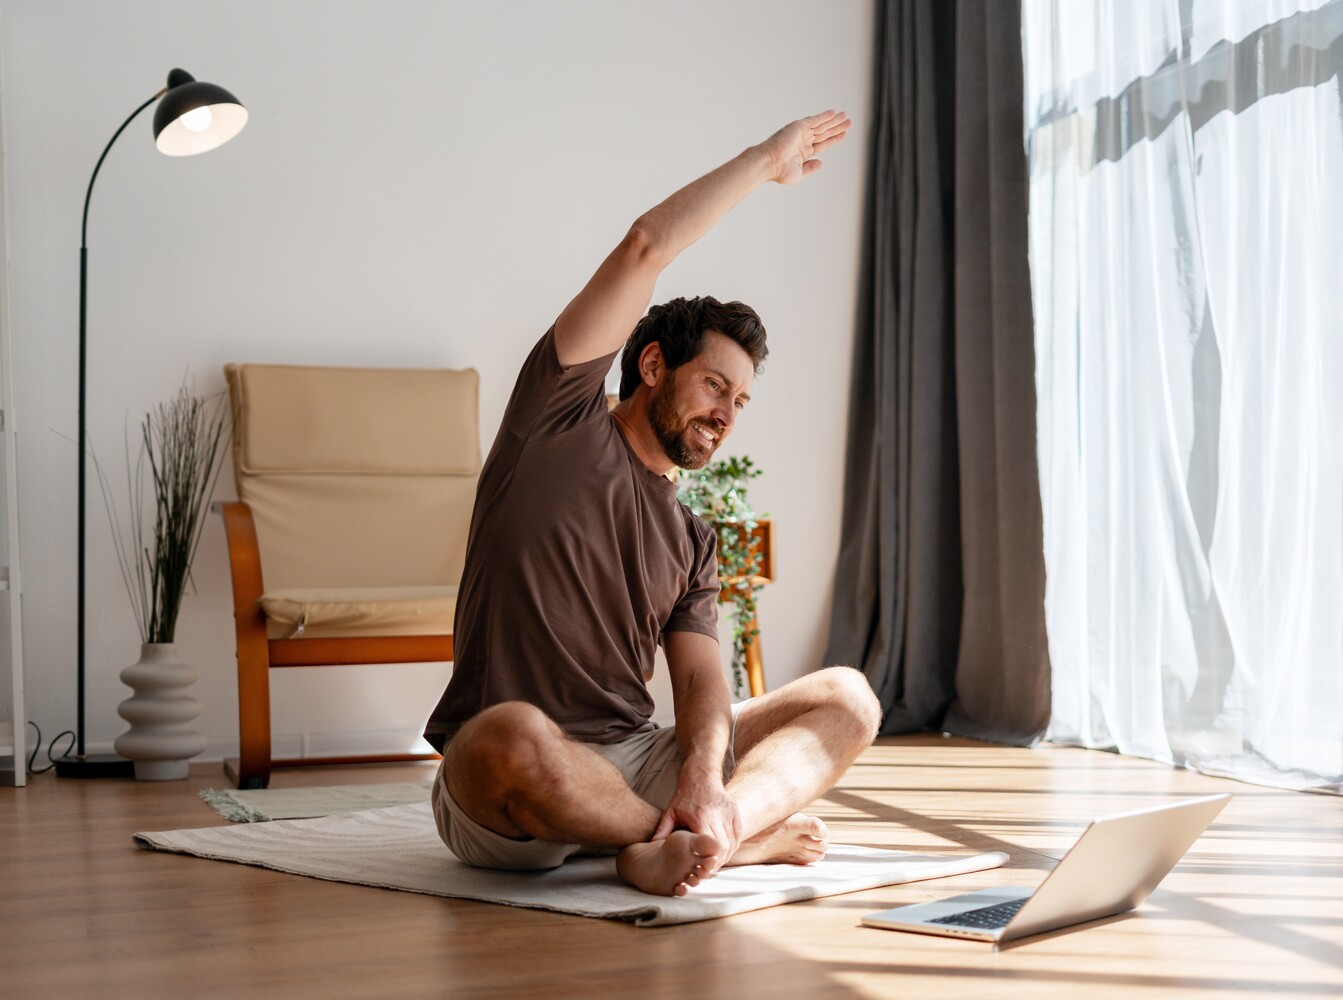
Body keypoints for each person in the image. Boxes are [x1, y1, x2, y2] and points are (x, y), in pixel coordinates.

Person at [423, 111, 881, 897]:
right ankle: (707, 844)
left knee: (848, 696)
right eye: (713, 385)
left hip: (637, 760)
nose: (726, 414)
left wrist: (701, 775)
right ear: (650, 364)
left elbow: (702, 683)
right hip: (525, 781)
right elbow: (646, 244)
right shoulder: (555, 419)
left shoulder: (691, 538)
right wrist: (766, 159)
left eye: (740, 399)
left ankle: (706, 828)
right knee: (506, 737)